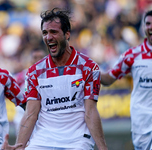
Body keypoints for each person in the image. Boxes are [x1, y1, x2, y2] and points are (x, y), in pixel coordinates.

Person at [14, 7, 107, 150]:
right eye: (45, 33)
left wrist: (103, 148)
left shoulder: (88, 67)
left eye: (54, 32)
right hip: (43, 139)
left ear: (67, 34)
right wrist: (18, 147)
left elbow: (91, 112)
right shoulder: (35, 72)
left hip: (77, 140)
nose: (48, 37)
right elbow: (31, 114)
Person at [101, 10, 152, 150]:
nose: (151, 27)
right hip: (142, 124)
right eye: (148, 24)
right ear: (144, 28)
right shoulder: (132, 55)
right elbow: (108, 79)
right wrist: (87, 68)